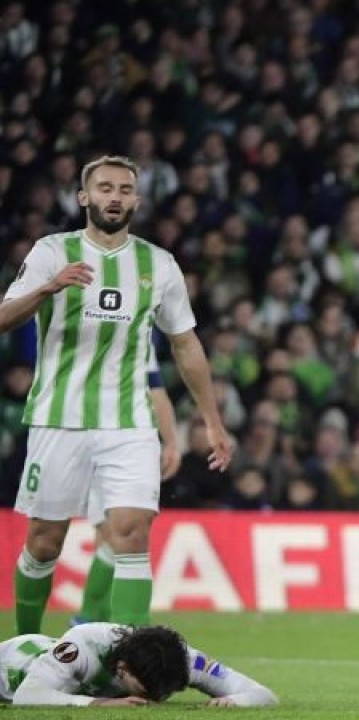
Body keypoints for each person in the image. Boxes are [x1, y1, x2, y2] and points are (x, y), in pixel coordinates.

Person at [0, 156, 234, 635]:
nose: (115, 196)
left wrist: (211, 419)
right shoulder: (52, 250)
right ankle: (22, 647)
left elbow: (185, 344)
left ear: (138, 200)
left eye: (125, 189)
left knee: (131, 532)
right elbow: (4, 318)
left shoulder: (159, 264)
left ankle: (131, 661)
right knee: (44, 541)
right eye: (105, 188)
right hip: (59, 418)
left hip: (129, 423)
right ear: (84, 197)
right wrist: (47, 289)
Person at [75, 351, 182, 625]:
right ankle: (93, 619)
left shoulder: (140, 337)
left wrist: (170, 441)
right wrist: (170, 441)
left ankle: (101, 622)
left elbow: (155, 390)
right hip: (97, 438)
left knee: (114, 537)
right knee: (113, 536)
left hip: (123, 443)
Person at [0, 622, 276, 706]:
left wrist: (233, 702)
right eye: (147, 691)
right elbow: (27, 695)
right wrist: (100, 704)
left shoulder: (183, 660)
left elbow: (264, 695)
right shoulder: (83, 645)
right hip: (11, 661)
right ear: (122, 669)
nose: (156, 699)